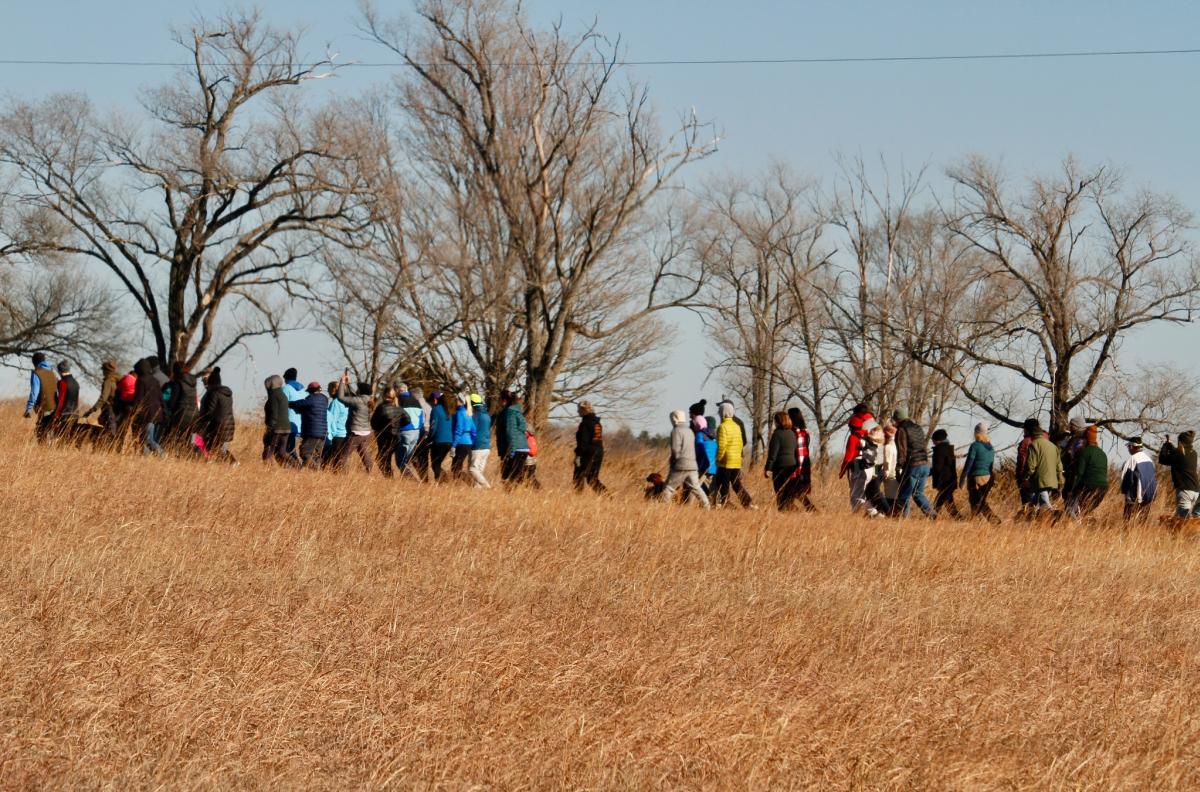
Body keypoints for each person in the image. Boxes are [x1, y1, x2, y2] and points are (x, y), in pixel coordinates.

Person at [891, 408, 935, 518]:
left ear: (897, 419)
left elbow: (902, 450)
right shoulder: (918, 428)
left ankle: (903, 522)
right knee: (917, 494)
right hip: (925, 464)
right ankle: (932, 514)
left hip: (913, 466)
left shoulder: (901, 430)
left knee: (903, 495)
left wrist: (898, 467)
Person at [662, 410, 710, 508]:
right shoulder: (690, 431)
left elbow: (675, 449)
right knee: (696, 488)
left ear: (675, 418)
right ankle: (707, 506)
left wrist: (674, 460)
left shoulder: (676, 431)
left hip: (681, 465)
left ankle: (663, 508)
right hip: (692, 465)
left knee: (669, 488)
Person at [713, 402, 752, 509]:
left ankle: (725, 503)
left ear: (722, 412)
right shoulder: (736, 426)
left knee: (723, 483)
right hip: (736, 460)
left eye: (719, 411)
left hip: (725, 461)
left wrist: (718, 459)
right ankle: (747, 501)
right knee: (736, 483)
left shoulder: (722, 427)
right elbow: (740, 443)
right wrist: (737, 455)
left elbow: (721, 446)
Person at [959, 423, 1000, 523]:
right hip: (988, 477)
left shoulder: (975, 446)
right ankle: (974, 521)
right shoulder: (990, 447)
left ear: (976, 432)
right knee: (975, 500)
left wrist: (962, 478)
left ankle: (994, 520)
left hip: (976, 477)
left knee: (978, 501)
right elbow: (991, 465)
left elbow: (969, 463)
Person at [1065, 425, 1108, 518]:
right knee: (1085, 512)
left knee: (1074, 510)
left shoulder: (1084, 452)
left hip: (1089, 487)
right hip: (1103, 488)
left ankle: (1078, 529)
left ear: (1086, 438)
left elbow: (1079, 473)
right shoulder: (1102, 453)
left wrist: (1072, 489)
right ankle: (1089, 529)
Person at [1022, 421, 1064, 515]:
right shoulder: (1052, 446)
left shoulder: (1034, 445)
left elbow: (1030, 466)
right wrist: (1060, 481)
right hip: (1052, 482)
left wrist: (1025, 478)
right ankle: (1025, 520)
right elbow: (1059, 466)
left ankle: (1058, 516)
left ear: (1030, 433)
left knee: (1045, 505)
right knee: (1032, 505)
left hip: (1040, 482)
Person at [335, 373, 375, 474]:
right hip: (366, 433)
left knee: (343, 456)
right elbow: (352, 395)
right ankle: (371, 474)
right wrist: (347, 384)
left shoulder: (358, 400)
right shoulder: (367, 400)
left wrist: (342, 382)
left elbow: (341, 397)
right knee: (365, 456)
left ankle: (342, 475)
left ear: (361, 391)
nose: (356, 390)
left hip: (356, 433)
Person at [839, 404, 876, 512]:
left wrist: (842, 471)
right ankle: (870, 513)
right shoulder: (872, 433)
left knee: (856, 495)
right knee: (865, 493)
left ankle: (872, 513)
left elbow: (849, 456)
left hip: (858, 468)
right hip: (871, 467)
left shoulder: (854, 437)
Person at [288, 381, 330, 469]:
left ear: (311, 391)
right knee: (317, 455)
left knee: (304, 451)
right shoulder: (324, 399)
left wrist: (288, 403)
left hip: (312, 432)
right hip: (323, 433)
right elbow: (310, 410)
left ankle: (314, 468)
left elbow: (299, 404)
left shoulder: (311, 399)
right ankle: (315, 474)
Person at [198, 367, 236, 463]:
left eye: (205, 378)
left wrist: (201, 419)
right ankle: (220, 463)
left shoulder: (213, 392)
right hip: (227, 424)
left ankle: (232, 463)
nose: (203, 381)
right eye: (202, 379)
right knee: (218, 447)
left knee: (216, 447)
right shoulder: (224, 392)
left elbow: (210, 410)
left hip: (218, 424)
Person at [1158, 431, 1199, 519]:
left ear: (1180, 442)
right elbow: (1179, 455)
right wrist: (1170, 446)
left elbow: (1162, 459)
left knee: (1183, 521)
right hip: (1195, 490)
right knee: (1192, 520)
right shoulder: (1194, 453)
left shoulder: (1178, 453)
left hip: (1185, 491)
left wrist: (1165, 446)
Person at [764, 411, 799, 510]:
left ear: (778, 421)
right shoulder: (792, 434)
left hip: (780, 468)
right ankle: (791, 512)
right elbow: (796, 451)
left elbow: (773, 454)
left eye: (775, 421)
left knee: (780, 494)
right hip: (792, 467)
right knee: (789, 494)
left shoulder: (777, 434)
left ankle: (784, 512)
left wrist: (768, 468)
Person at [495, 391, 530, 486]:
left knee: (507, 478)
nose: (497, 401)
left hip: (514, 448)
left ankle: (509, 498)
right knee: (516, 478)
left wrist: (511, 450)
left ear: (504, 401)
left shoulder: (509, 412)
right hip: (523, 447)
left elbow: (511, 431)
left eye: (499, 399)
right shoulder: (518, 412)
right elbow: (523, 428)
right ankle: (516, 497)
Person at [131, 357, 165, 455]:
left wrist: (134, 412)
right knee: (145, 439)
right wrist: (163, 411)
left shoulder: (141, 380)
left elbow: (138, 399)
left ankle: (163, 455)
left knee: (149, 440)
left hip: (146, 415)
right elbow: (160, 397)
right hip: (157, 413)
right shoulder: (154, 380)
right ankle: (146, 458)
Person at [1120, 437, 1158, 523]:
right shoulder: (1149, 459)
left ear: (1132, 447)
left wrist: (1124, 491)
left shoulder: (1132, 459)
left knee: (1127, 519)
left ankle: (1126, 531)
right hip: (1150, 494)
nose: (1128, 449)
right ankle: (1140, 533)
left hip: (1137, 494)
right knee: (1142, 520)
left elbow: (1125, 478)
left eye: (1128, 446)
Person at [164, 362, 199, 452]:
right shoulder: (192, 383)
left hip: (181, 415)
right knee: (188, 441)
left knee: (171, 438)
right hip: (194, 415)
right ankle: (195, 458)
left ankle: (172, 456)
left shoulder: (178, 383)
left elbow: (173, 401)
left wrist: (166, 410)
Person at [787, 407, 817, 512]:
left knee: (794, 488)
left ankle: (808, 509)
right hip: (805, 461)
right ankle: (809, 509)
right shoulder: (805, 431)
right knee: (796, 489)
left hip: (796, 462)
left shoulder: (793, 432)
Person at [573, 401, 607, 494]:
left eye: (579, 409)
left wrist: (578, 456)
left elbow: (583, 442)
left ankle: (577, 498)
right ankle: (608, 498)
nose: (577, 412)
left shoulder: (585, 423)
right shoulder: (597, 423)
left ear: (584, 410)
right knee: (592, 479)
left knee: (578, 476)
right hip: (599, 452)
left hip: (587, 453)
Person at [371, 386, 405, 477]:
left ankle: (389, 478)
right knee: (386, 458)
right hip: (396, 437)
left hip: (384, 437)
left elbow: (373, 423)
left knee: (381, 459)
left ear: (384, 395)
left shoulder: (382, 407)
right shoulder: (398, 407)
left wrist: (379, 429)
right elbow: (408, 420)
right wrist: (398, 427)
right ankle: (389, 477)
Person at [24, 352, 58, 440]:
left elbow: (34, 392)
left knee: (41, 433)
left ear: (34, 363)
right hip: (55, 408)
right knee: (50, 432)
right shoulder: (52, 373)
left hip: (44, 408)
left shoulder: (36, 373)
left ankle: (44, 450)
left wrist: (29, 409)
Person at [930, 429, 962, 519]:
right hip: (950, 480)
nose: (932, 442)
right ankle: (958, 519)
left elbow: (937, 467)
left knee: (939, 501)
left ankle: (933, 517)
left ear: (937, 440)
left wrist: (927, 472)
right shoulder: (948, 449)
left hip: (944, 481)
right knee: (948, 502)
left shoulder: (939, 450)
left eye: (933, 440)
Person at [83, 360, 120, 436]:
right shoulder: (117, 379)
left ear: (107, 371)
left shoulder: (108, 381)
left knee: (109, 432)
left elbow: (103, 398)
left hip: (109, 409)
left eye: (103, 370)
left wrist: (91, 411)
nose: (102, 372)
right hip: (117, 409)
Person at [262, 375, 292, 464]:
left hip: (276, 428)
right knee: (282, 452)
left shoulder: (274, 395)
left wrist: (270, 427)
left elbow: (273, 413)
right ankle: (297, 466)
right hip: (286, 427)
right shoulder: (282, 395)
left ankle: (267, 472)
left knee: (269, 451)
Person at [1015, 418, 1041, 513]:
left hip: (1028, 477)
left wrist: (1022, 477)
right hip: (1042, 477)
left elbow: (1022, 460)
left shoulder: (1026, 442)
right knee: (1038, 504)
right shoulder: (1045, 439)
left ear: (1026, 429)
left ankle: (1030, 523)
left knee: (1027, 504)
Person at [48, 360, 80, 438]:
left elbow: (61, 401)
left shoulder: (62, 383)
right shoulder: (76, 383)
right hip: (75, 414)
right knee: (69, 438)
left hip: (64, 415)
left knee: (60, 437)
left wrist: (56, 415)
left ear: (60, 371)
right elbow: (77, 401)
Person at [396, 384, 424, 474]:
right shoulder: (416, 401)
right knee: (407, 458)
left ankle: (410, 479)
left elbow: (396, 417)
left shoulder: (399, 401)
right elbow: (421, 418)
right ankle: (408, 480)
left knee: (400, 460)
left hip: (405, 430)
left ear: (398, 390)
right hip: (416, 432)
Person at [427, 391, 454, 481]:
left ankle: (443, 481)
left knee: (435, 465)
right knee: (438, 464)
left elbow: (433, 427)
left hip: (439, 441)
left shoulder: (435, 410)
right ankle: (444, 480)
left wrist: (429, 439)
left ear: (435, 400)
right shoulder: (448, 410)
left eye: (430, 401)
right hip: (449, 442)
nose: (430, 403)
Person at [469, 394, 492, 488]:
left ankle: (486, 486)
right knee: (479, 470)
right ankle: (477, 490)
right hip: (486, 447)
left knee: (473, 469)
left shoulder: (475, 415)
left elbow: (472, 429)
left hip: (478, 446)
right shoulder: (487, 415)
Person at [325, 380, 349, 469]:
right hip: (345, 433)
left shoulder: (335, 402)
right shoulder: (347, 401)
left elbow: (331, 420)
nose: (327, 391)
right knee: (341, 458)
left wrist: (330, 435)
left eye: (328, 389)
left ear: (334, 389)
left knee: (335, 459)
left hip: (337, 434)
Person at [450, 394, 476, 478]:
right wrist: (471, 441)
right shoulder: (469, 413)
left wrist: (453, 445)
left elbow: (459, 429)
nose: (455, 402)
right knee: (459, 466)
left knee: (455, 468)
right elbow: (474, 431)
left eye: (456, 400)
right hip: (468, 443)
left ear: (460, 401)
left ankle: (466, 483)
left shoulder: (459, 413)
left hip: (460, 442)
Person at [411, 385, 433, 479]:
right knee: (424, 457)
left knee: (413, 456)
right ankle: (425, 477)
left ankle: (423, 476)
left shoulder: (417, 406)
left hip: (421, 432)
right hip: (428, 432)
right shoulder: (428, 406)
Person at [282, 368, 305, 455]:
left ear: (286, 378)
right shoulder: (303, 390)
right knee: (293, 451)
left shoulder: (286, 389)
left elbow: (282, 405)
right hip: (301, 426)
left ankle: (296, 468)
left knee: (287, 452)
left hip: (289, 425)